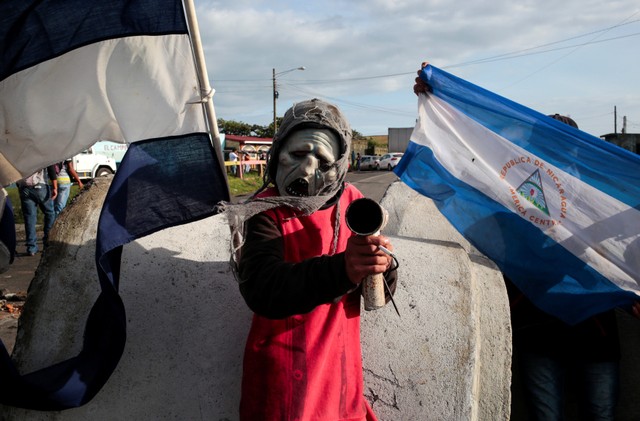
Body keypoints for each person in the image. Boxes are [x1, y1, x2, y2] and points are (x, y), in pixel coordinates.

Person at [413, 65, 639, 420]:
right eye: (546, 149)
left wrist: (631, 297)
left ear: (577, 153)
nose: (557, 157)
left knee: (601, 415)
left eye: (564, 150)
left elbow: (623, 254)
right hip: (537, 331)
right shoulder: (512, 200)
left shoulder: (599, 203)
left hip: (596, 331)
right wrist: (439, 97)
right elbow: (469, 163)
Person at [226, 98, 398, 421]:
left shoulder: (353, 203)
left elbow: (379, 294)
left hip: (340, 386)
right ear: (277, 154)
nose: (306, 168)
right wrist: (343, 269)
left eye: (321, 157)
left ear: (342, 166)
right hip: (282, 391)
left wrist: (382, 266)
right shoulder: (264, 211)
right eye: (298, 154)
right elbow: (263, 287)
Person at [16, 166, 57, 256]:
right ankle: (48, 241)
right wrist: (55, 187)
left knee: (29, 218)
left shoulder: (20, 154)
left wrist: (19, 185)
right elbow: (51, 168)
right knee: (50, 213)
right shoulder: (40, 152)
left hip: (24, 187)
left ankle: (31, 248)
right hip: (40, 185)